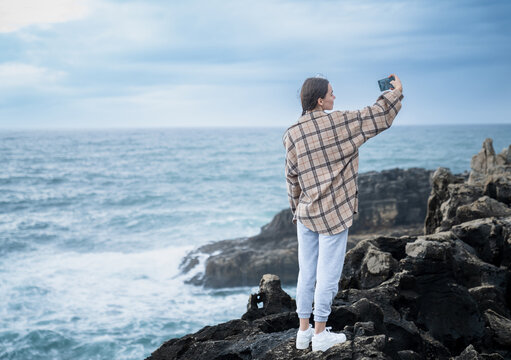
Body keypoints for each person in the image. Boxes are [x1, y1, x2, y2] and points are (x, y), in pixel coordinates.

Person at [283, 74, 403, 352]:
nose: (335, 98)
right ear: (320, 100)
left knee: (306, 274)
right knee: (327, 275)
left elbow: (292, 178)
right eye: (332, 94)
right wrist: (395, 92)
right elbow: (377, 115)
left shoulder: (292, 133)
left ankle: (303, 332)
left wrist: (297, 210)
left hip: (306, 214)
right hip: (334, 214)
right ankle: (320, 334)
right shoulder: (339, 122)